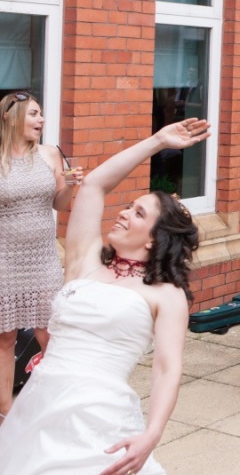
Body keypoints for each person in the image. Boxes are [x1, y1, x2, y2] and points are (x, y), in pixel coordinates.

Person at [0, 117, 209, 474]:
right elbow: (95, 185)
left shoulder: (166, 294)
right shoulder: (85, 259)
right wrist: (157, 141)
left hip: (102, 419)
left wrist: (152, 433)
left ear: (153, 239)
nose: (124, 213)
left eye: (138, 213)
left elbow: (166, 367)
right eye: (128, 205)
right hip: (39, 410)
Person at [0, 91, 84, 421]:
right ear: (11, 116)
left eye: (41, 115)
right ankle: (4, 412)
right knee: (5, 337)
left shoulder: (49, 155)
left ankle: (59, 407)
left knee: (48, 332)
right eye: (34, 114)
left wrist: (71, 185)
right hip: (4, 259)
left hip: (43, 257)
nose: (41, 120)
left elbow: (58, 205)